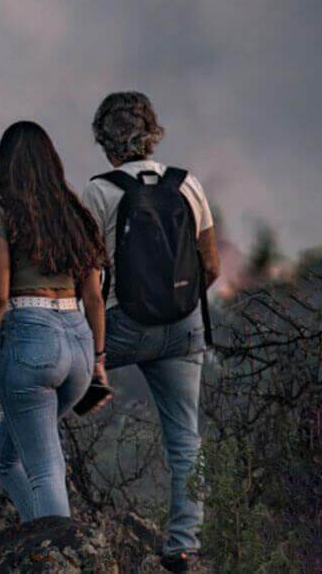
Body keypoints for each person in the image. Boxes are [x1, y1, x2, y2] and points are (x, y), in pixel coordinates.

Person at [81, 92, 219, 573]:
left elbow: (89, 279)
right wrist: (178, 303)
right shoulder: (188, 185)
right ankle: (183, 545)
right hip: (185, 327)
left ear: (105, 141)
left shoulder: (98, 192)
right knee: (186, 437)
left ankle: (44, 504)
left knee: (49, 391)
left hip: (122, 326)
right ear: (152, 133)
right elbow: (212, 265)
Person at [0, 121, 110, 522]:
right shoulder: (76, 215)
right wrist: (97, 361)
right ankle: (37, 542)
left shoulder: (2, 213)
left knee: (45, 469)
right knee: (2, 452)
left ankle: (57, 557)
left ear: (5, 165)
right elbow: (94, 296)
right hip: (78, 344)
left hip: (32, 341)